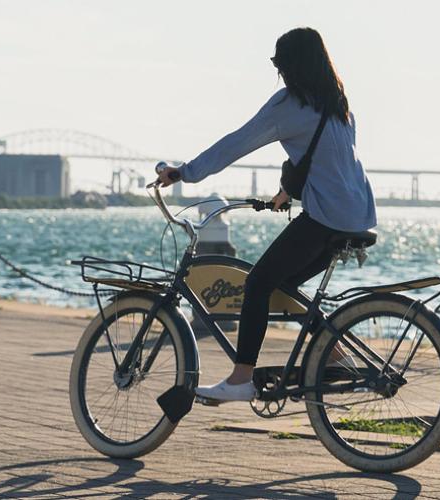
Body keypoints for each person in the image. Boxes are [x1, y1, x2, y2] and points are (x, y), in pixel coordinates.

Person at [158, 27, 377, 402]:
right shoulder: (338, 105)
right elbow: (326, 164)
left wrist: (186, 172)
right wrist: (287, 193)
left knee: (258, 283)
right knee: (283, 285)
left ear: (291, 66)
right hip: (358, 215)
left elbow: (238, 141)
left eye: (280, 64)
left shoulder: (290, 104)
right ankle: (337, 355)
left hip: (326, 218)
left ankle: (241, 378)